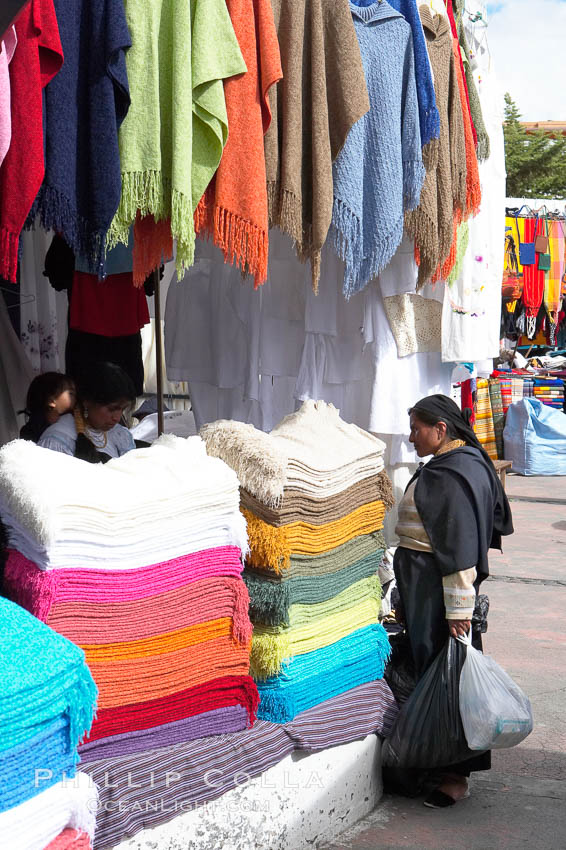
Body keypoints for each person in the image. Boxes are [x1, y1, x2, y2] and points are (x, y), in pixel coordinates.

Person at [392, 394, 513, 808]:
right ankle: (434, 762)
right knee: (433, 675)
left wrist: (459, 609)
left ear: (440, 429)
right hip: (424, 586)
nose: (411, 437)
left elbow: (459, 547)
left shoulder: (454, 473)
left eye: (416, 429)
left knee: (452, 680)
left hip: (439, 592)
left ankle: (456, 775)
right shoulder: (452, 466)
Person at [38, 362, 137, 463]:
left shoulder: (119, 434)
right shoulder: (58, 439)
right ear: (87, 402)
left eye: (122, 409)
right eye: (111, 409)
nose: (117, 418)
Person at [20, 372, 76, 443]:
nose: (75, 398)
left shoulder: (72, 424)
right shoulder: (31, 433)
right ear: (51, 401)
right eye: (71, 393)